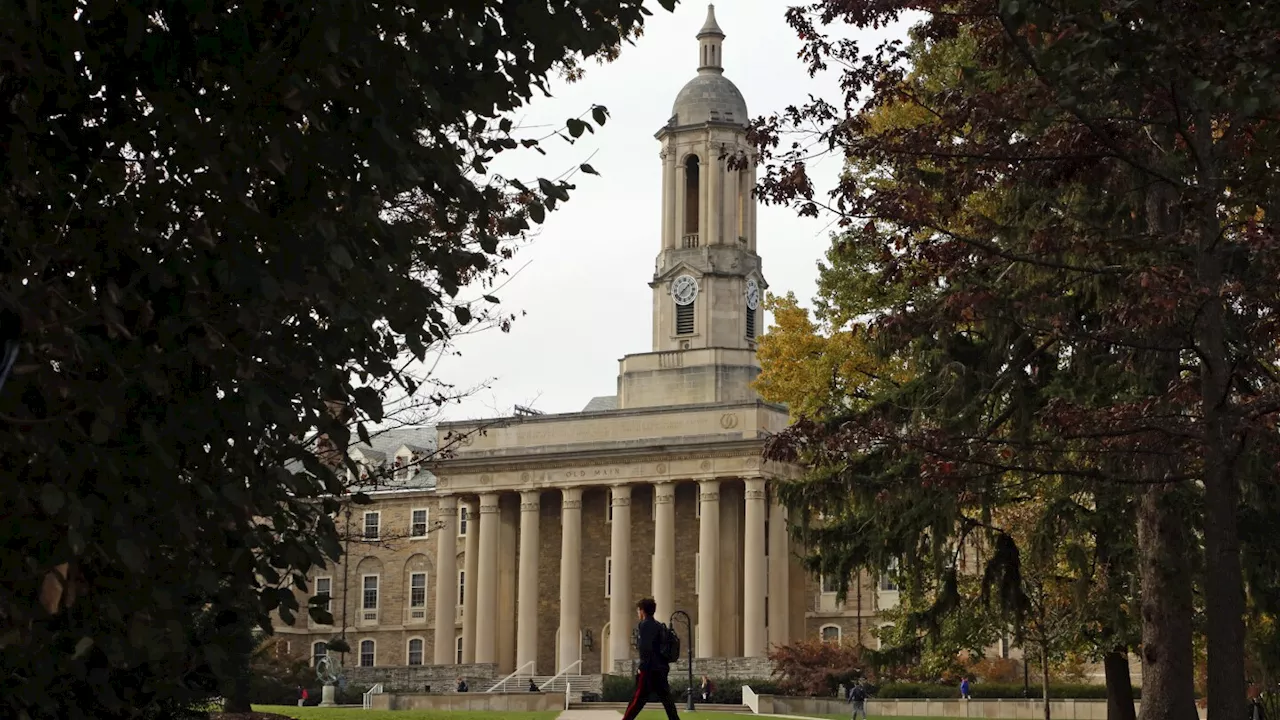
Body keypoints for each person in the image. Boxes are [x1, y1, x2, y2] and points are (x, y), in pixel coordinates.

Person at [621, 598, 681, 720]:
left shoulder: (644, 625)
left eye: (638, 611)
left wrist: (642, 666)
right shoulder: (659, 626)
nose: (638, 613)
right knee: (667, 699)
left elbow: (646, 647)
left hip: (649, 669)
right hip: (661, 668)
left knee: (637, 699)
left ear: (642, 611)